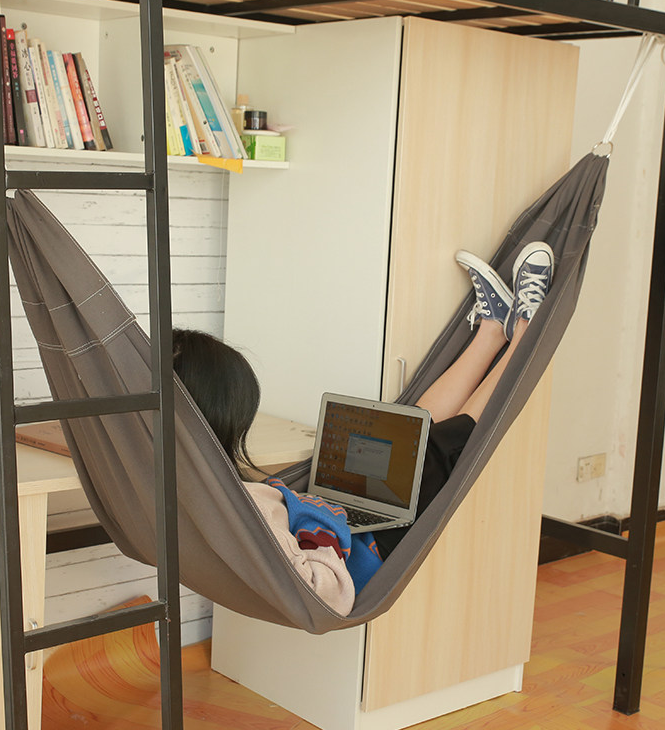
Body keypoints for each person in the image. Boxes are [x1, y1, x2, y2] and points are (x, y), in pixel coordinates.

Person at [172, 242, 554, 616]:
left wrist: (297, 503)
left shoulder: (172, 483)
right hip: (363, 558)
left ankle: (492, 330)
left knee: (402, 438)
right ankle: (524, 331)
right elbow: (324, 593)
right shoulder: (241, 509)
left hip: (344, 531)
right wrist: (312, 511)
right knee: (438, 448)